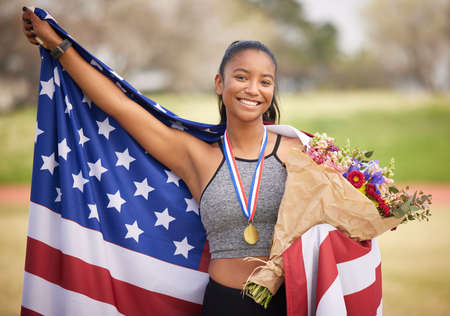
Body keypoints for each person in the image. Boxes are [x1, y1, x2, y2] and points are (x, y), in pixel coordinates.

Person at [22, 7, 303, 315]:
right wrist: (58, 46)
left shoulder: (297, 152)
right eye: (241, 77)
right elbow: (120, 106)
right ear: (219, 83)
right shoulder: (196, 156)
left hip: (288, 304)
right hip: (225, 304)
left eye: (265, 81)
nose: (253, 89)